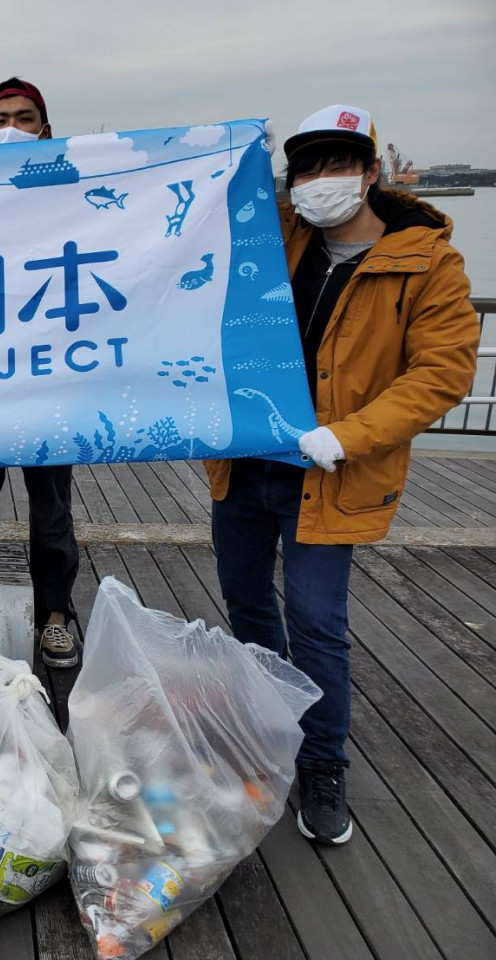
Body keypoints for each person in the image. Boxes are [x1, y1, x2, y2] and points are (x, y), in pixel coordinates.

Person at [206, 105, 479, 845]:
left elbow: (443, 373)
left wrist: (348, 436)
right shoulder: (283, 240)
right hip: (246, 463)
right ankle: (267, 733)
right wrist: (227, 153)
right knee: (247, 606)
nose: (322, 181)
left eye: (338, 163)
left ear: (370, 171)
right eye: (308, 167)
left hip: (333, 473)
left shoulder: (429, 262)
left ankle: (324, 764)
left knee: (319, 623)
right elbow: (208, 227)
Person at [0, 78, 81, 669]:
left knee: (50, 510)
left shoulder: (70, 195)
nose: (11, 127)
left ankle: (55, 612)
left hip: (51, 378)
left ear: (45, 131)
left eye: (24, 118)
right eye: (0, 118)